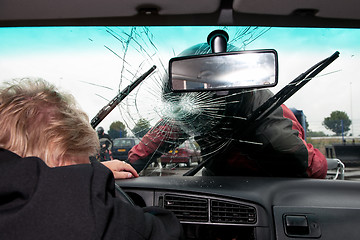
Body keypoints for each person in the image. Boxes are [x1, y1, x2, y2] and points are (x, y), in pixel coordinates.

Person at [0, 78, 183, 240]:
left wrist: (98, 169)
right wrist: (94, 178)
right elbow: (167, 231)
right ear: (62, 160)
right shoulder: (85, 213)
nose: (86, 171)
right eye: (84, 164)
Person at [127, 40, 328, 179]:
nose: (193, 119)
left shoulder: (268, 123)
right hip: (217, 183)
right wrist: (128, 168)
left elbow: (316, 169)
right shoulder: (190, 111)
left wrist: (254, 145)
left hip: (270, 190)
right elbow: (151, 144)